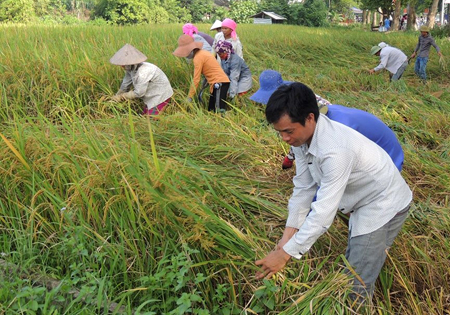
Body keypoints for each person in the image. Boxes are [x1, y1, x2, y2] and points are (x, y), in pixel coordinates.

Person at [255, 82, 413, 303]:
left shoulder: (336, 150)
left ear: (310, 118)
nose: (284, 139)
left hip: (382, 202)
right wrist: (286, 238)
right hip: (360, 196)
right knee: (359, 260)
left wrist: (285, 254)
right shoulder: (302, 141)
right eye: (279, 132)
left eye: (288, 131)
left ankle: (356, 304)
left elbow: (323, 212)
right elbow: (303, 188)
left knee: (355, 281)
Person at [250, 70, 404, 171]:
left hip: (386, 158)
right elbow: (298, 132)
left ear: (310, 117)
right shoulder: (294, 104)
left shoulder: (337, 128)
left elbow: (331, 183)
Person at [109, 44, 173, 116]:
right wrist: (116, 96)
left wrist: (121, 97)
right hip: (150, 95)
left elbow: (139, 93)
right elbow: (125, 84)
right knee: (143, 116)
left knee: (151, 120)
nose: (122, 66)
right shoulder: (130, 68)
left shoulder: (144, 71)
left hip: (160, 95)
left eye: (124, 64)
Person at [173, 35, 230, 112]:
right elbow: (209, 71)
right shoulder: (203, 53)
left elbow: (196, 79)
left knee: (219, 110)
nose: (186, 56)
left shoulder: (198, 58)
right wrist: (203, 86)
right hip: (216, 84)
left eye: (186, 53)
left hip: (219, 83)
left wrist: (189, 97)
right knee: (211, 110)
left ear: (191, 50)